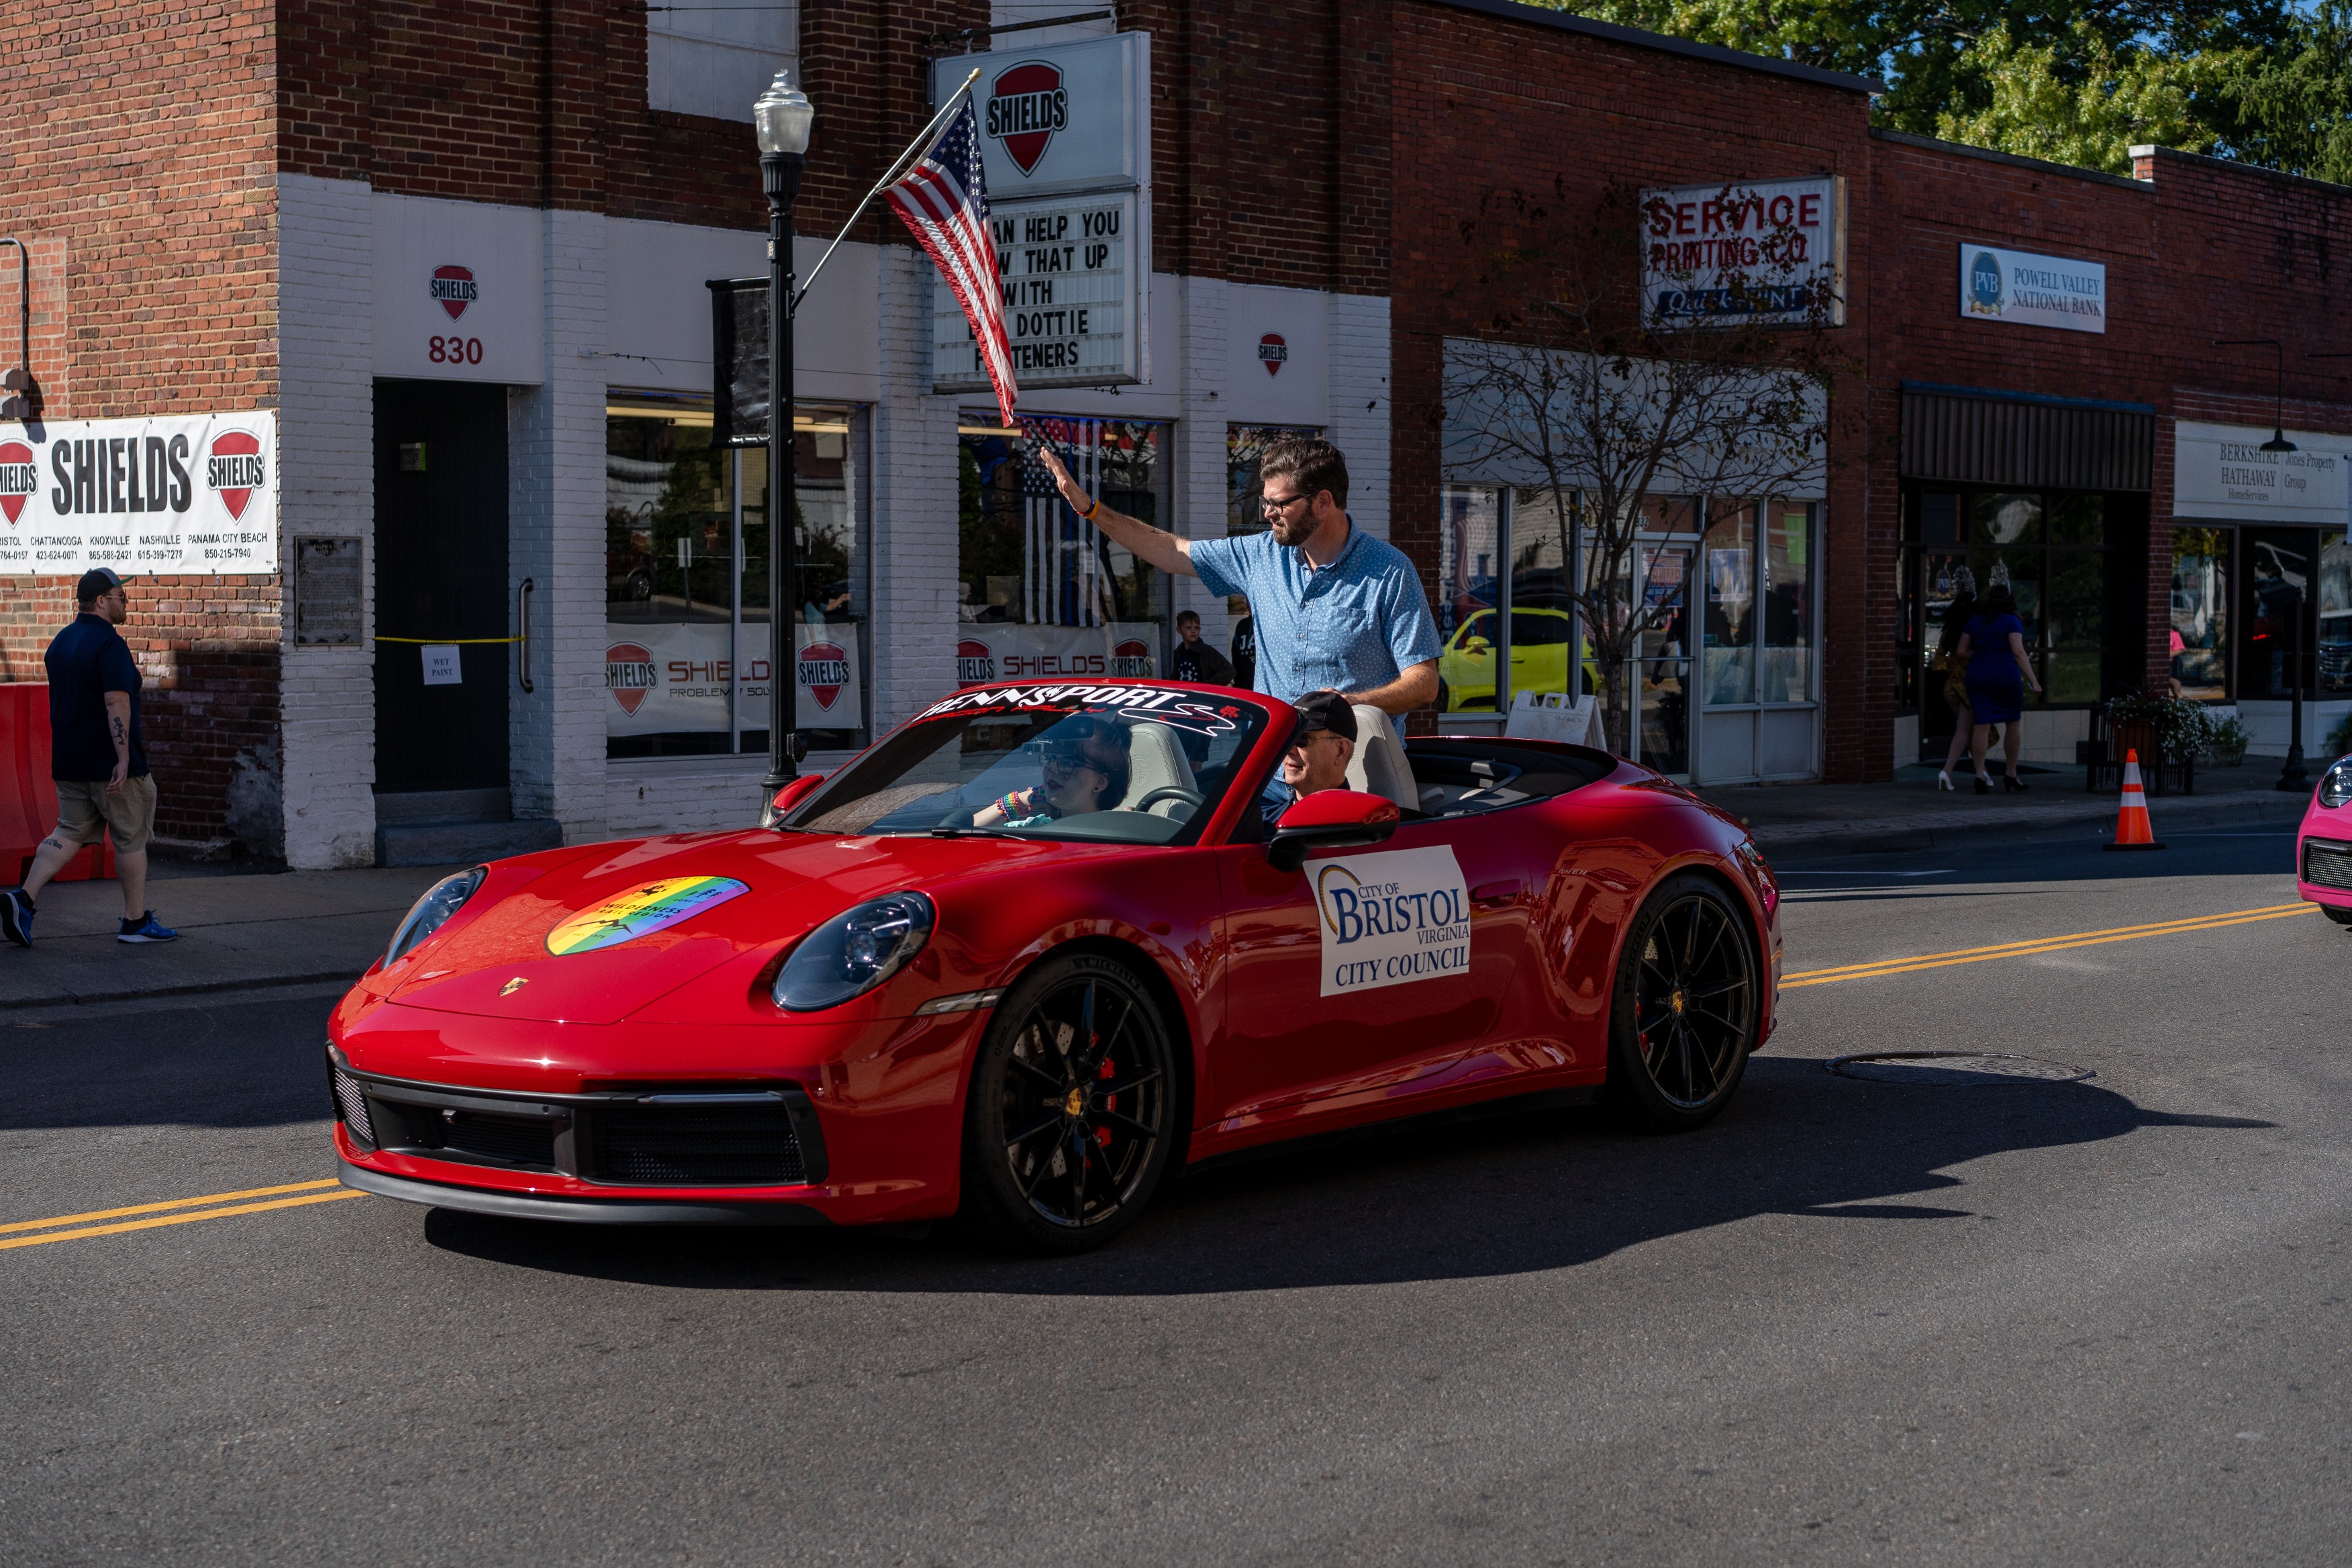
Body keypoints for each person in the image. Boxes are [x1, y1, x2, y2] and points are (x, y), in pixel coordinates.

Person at [1037, 437, 1440, 715]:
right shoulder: (1261, 553)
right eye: (1264, 503)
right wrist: (1091, 509)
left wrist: (1353, 703)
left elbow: (1424, 682)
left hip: (1354, 778)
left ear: (1322, 502)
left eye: (1279, 504)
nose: (1267, 514)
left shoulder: (1389, 571)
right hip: (1273, 773)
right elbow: (1171, 552)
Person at [1, 569, 177, 947]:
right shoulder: (109, 644)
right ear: (101, 601)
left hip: (70, 762)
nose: (125, 602)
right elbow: (116, 701)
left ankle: (23, 899)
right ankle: (134, 923)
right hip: (112, 767)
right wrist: (123, 758)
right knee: (131, 840)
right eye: (120, 596)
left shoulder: (60, 643)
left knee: (68, 831)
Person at [1955, 583, 2043, 794]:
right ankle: (2011, 773)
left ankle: (1979, 775)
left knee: (1981, 726)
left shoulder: (1974, 621)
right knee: (2013, 723)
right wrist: (2034, 680)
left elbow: (1961, 650)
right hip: (2005, 677)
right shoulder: (2012, 621)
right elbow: (2019, 652)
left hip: (1978, 676)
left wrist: (1980, 655)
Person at [973, 716, 1132, 828]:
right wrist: (1022, 800)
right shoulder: (1032, 828)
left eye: (1068, 763)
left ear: (1100, 782)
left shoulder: (1119, 835)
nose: (1052, 768)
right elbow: (960, 835)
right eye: (1050, 758)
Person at [1260, 693, 1357, 825]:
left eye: (1302, 739)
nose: (1289, 750)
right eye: (1287, 737)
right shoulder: (1264, 824)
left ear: (1340, 750)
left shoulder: (1362, 829)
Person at [1932, 569, 1979, 791]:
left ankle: (1982, 771)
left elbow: (1938, 662)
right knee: (1965, 730)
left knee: (1970, 730)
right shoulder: (1973, 630)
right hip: (1967, 686)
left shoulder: (1950, 629)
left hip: (1951, 686)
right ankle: (1947, 771)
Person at [1169, 610, 1235, 685]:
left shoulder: (1206, 651)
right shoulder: (1179, 652)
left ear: (1200, 629)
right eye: (1189, 628)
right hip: (1183, 694)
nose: (1193, 631)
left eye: (1196, 628)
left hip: (1199, 695)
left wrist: (1208, 686)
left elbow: (1229, 671)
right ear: (1179, 630)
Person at [1230, 607, 1257, 691]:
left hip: (1260, 682)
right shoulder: (1242, 625)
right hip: (1243, 683)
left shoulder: (1266, 625)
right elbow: (1235, 654)